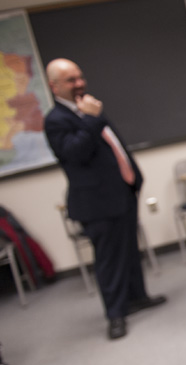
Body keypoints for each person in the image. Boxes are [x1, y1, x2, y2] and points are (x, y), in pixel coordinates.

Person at [44, 59, 165, 340]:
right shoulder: (56, 120)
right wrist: (90, 119)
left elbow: (112, 145)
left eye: (80, 77)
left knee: (129, 250)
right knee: (109, 259)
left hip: (121, 192)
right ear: (54, 86)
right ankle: (115, 315)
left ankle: (137, 297)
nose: (79, 84)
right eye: (71, 80)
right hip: (96, 203)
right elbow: (75, 154)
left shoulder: (90, 107)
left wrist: (133, 177)